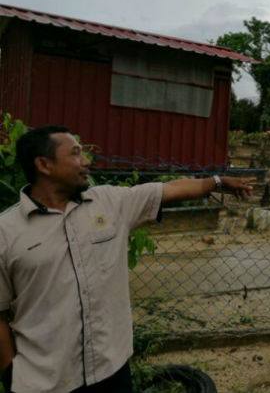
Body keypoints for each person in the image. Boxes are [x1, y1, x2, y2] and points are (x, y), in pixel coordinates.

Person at [0, 125, 254, 393]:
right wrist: (9, 371)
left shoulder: (110, 203)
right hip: (44, 382)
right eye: (76, 154)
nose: (87, 161)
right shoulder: (6, 232)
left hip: (111, 369)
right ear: (44, 164)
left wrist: (217, 182)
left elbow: (169, 189)